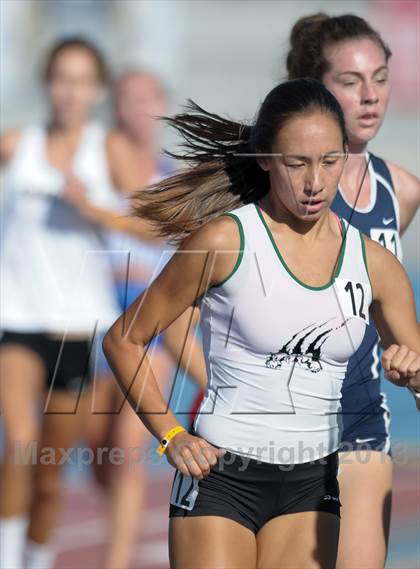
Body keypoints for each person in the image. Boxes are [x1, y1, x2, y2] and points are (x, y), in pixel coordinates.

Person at [103, 78, 420, 569]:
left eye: (329, 161)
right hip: (221, 479)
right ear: (267, 160)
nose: (314, 182)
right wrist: (170, 435)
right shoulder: (225, 242)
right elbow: (125, 339)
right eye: (297, 163)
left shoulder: (376, 266)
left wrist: (414, 375)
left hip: (312, 483)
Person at [285, 13, 420, 569]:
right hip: (278, 426)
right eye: (350, 82)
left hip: (362, 419)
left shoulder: (403, 190)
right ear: (319, 87)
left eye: (381, 78)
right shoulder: (285, 183)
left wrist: (407, 360)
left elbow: (389, 314)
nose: (371, 97)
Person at [0, 37, 123, 569]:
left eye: (81, 81)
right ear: (47, 83)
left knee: (48, 475)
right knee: (21, 444)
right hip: (16, 320)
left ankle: (37, 559)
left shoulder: (108, 149)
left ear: (97, 90)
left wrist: (92, 207)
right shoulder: (14, 145)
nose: (70, 92)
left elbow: (150, 225)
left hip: (77, 330)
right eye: (61, 79)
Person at [87, 69, 207, 569]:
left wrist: (90, 210)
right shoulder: (93, 163)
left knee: (127, 445)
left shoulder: (170, 177)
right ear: (114, 104)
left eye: (146, 98)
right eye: (127, 98)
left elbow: (160, 236)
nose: (136, 107)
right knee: (99, 456)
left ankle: (116, 561)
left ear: (160, 106)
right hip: (93, 315)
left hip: (150, 320)